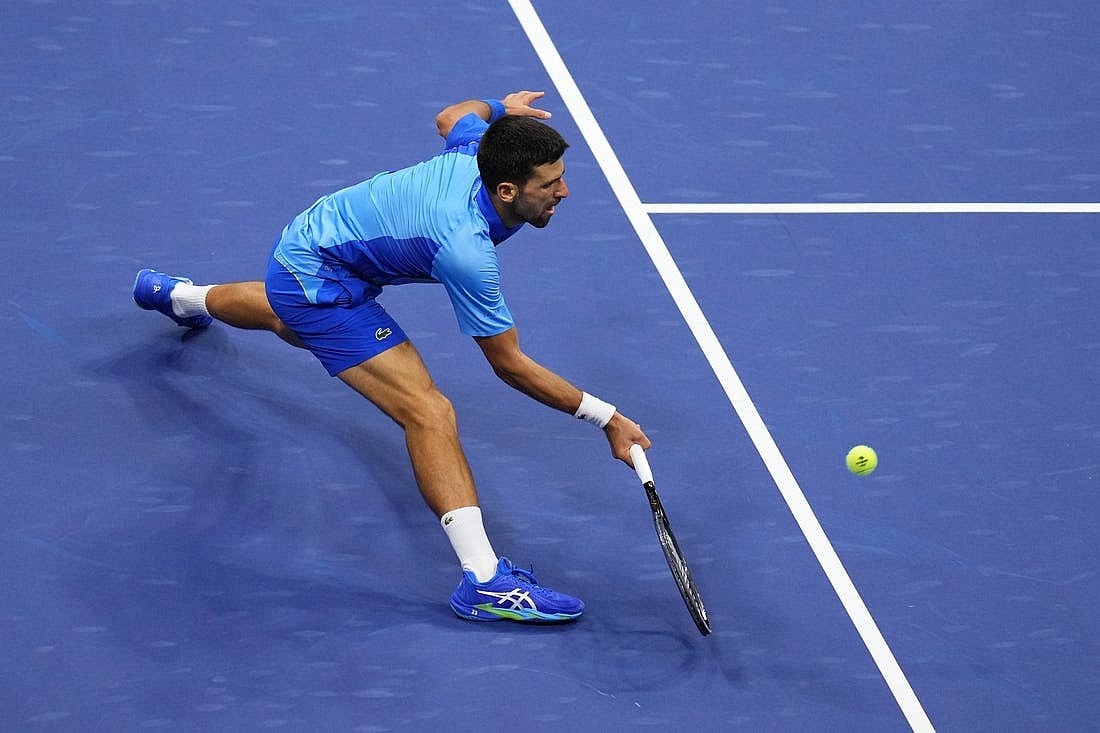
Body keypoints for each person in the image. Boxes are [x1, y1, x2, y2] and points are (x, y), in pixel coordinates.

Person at [133, 90, 651, 623]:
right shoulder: (465, 250)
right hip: (323, 274)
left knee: (286, 315)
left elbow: (454, 115)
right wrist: (605, 417)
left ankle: (175, 295)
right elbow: (509, 365)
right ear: (505, 188)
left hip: (320, 238)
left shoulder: (474, 149)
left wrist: (501, 108)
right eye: (549, 184)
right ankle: (485, 582)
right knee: (427, 412)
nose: (564, 191)